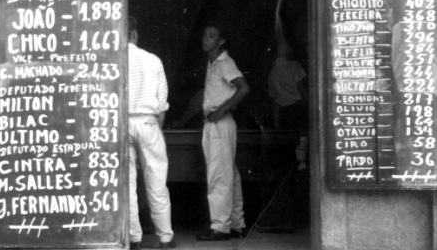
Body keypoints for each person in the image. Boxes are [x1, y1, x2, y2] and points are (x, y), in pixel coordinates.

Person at [173, 24, 250, 241]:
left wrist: (222, 109)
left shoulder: (225, 62)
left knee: (218, 175)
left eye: (212, 36)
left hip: (220, 124)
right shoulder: (213, 63)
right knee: (229, 175)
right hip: (216, 124)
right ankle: (236, 223)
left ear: (221, 41)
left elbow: (244, 87)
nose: (206, 39)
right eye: (205, 35)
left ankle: (220, 227)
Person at [126, 17, 176, 249]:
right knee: (156, 183)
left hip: (121, 125)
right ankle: (165, 238)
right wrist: (157, 132)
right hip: (148, 122)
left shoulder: (111, 62)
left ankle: (133, 238)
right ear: (135, 33)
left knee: (126, 185)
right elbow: (161, 103)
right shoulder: (153, 60)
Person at [268, 39, 309, 170]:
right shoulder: (294, 66)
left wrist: (276, 122)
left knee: (292, 140)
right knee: (303, 137)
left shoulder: (272, 75)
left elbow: (275, 102)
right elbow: (303, 91)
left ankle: (296, 165)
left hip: (285, 112)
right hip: (299, 108)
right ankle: (303, 163)